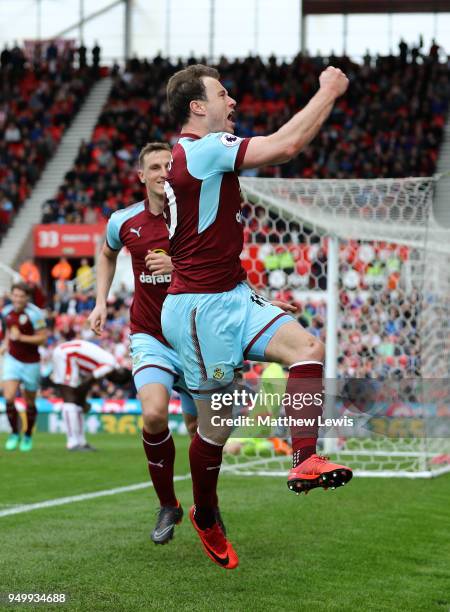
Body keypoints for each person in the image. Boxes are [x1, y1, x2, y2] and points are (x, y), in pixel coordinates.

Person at [162, 63, 353, 568]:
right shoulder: (202, 149)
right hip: (200, 310)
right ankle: (205, 511)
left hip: (233, 295)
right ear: (197, 107)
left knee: (308, 348)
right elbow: (286, 146)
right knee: (217, 427)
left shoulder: (201, 158)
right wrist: (328, 92)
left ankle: (304, 458)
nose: (234, 102)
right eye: (223, 95)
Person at [88, 142, 212, 545]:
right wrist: (100, 301)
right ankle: (167, 505)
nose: (162, 172)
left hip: (195, 338)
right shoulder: (124, 221)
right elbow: (106, 254)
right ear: (141, 175)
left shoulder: (198, 218)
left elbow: (218, 267)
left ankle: (207, 507)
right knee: (154, 415)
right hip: (150, 335)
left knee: (200, 430)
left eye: (168, 166)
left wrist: (178, 266)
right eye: (154, 167)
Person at [48, 337, 130, 451]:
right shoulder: (109, 366)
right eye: (115, 380)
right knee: (70, 399)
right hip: (66, 355)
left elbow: (87, 384)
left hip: (68, 354)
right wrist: (83, 402)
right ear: (119, 374)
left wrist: (82, 401)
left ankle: (81, 442)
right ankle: (73, 443)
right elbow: (87, 382)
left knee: (75, 401)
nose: (112, 381)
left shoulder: (110, 362)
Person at [1, 282, 47, 451]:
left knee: (30, 402)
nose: (18, 299)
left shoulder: (35, 314)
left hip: (31, 362)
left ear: (27, 297)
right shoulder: (6, 311)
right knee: (9, 397)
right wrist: (6, 344)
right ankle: (14, 433)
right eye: (15, 295)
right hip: (12, 359)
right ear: (11, 295)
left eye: (21, 296)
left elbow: (42, 338)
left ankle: (27, 435)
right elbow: (8, 332)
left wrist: (21, 338)